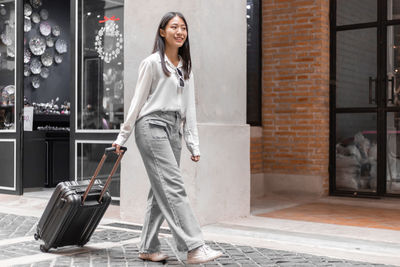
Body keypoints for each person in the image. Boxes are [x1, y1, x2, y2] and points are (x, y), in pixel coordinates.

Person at [112, 11, 223, 264]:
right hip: (151, 126)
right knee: (173, 186)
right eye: (174, 27)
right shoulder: (152, 63)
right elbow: (137, 102)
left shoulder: (185, 68)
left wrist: (193, 143)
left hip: (173, 129)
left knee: (159, 190)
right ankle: (194, 246)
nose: (180, 32)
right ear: (163, 32)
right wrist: (122, 137)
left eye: (183, 27)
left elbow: (190, 110)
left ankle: (148, 247)